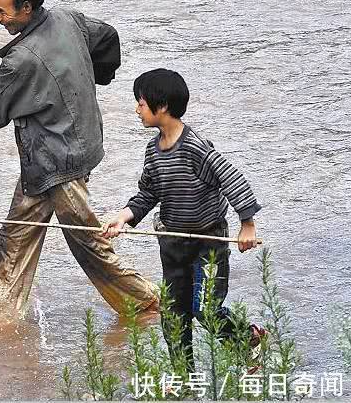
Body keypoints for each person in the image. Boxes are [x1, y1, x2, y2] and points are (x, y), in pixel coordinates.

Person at [0, 0, 159, 319]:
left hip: (60, 162)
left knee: (88, 244)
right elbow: (107, 38)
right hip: (55, 155)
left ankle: (147, 302)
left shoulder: (22, 59)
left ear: (27, 8)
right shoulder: (68, 18)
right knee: (15, 238)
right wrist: (95, 75)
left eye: (3, 12)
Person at [102, 68, 265, 366]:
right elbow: (148, 193)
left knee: (205, 308)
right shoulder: (153, 151)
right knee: (174, 315)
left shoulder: (195, 147)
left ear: (161, 106)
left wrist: (247, 224)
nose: (137, 109)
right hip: (173, 244)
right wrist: (124, 216)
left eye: (140, 102)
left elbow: (232, 178)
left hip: (208, 244)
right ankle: (183, 379)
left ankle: (247, 340)